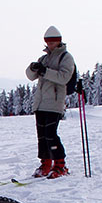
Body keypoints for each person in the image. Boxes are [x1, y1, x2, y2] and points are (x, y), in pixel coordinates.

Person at [25, 25, 75, 179]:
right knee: (41, 135)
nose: (50, 44)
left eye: (53, 41)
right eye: (48, 42)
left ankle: (60, 164)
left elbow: (64, 78)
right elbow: (30, 76)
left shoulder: (66, 57)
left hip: (54, 102)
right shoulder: (44, 58)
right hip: (40, 103)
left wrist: (45, 71)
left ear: (59, 41)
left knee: (50, 134)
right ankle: (46, 163)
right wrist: (33, 68)